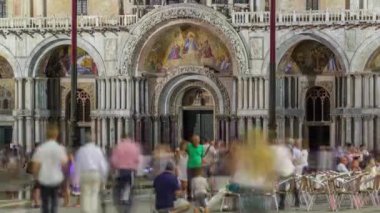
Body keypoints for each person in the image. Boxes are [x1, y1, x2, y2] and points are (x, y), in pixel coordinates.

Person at [32, 124, 68, 213]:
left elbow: (35, 166)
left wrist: (36, 176)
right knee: (54, 201)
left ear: (46, 135)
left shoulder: (41, 148)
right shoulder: (60, 148)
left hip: (44, 178)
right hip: (55, 178)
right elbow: (65, 163)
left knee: (45, 202)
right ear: (56, 135)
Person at [75, 132, 109, 213]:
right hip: (95, 174)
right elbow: (102, 165)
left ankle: (86, 211)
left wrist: (76, 178)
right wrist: (104, 177)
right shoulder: (97, 150)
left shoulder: (81, 150)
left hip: (85, 174)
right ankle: (93, 210)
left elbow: (78, 165)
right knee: (94, 194)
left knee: (86, 193)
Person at [111, 133, 141, 212]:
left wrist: (114, 168)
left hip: (120, 170)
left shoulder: (118, 146)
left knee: (120, 187)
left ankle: (121, 203)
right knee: (129, 186)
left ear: (122, 138)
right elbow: (137, 159)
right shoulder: (134, 146)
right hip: (130, 170)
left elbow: (114, 160)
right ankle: (127, 204)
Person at [186, 135, 204, 200]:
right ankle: (189, 195)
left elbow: (202, 156)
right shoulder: (189, 146)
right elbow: (185, 152)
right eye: (195, 140)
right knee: (190, 181)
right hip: (190, 166)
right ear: (192, 141)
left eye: (197, 140)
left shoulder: (202, 147)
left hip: (198, 167)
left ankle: (196, 194)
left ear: (199, 141)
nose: (196, 141)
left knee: (197, 181)